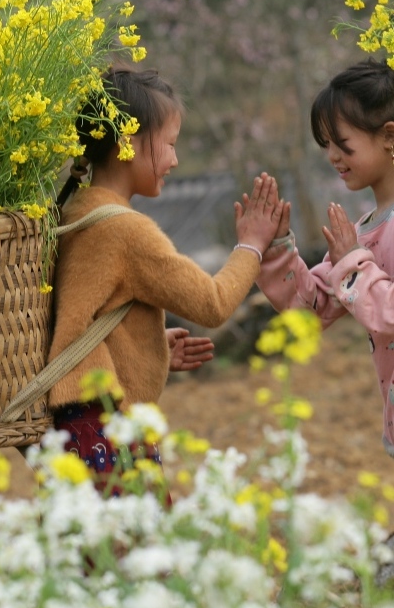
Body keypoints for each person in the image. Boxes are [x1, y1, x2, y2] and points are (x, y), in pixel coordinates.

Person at [47, 66, 285, 494]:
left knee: (94, 557)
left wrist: (148, 350)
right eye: (170, 145)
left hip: (75, 428)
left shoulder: (76, 212)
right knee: (133, 556)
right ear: (127, 144)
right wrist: (251, 245)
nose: (175, 160)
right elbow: (212, 304)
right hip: (109, 429)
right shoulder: (126, 231)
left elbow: (85, 320)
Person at [251, 58, 394, 459]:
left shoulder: (357, 247)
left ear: (389, 136)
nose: (332, 155)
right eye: (325, 144)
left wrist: (353, 262)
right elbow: (314, 309)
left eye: (342, 143)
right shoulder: (364, 232)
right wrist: (277, 248)